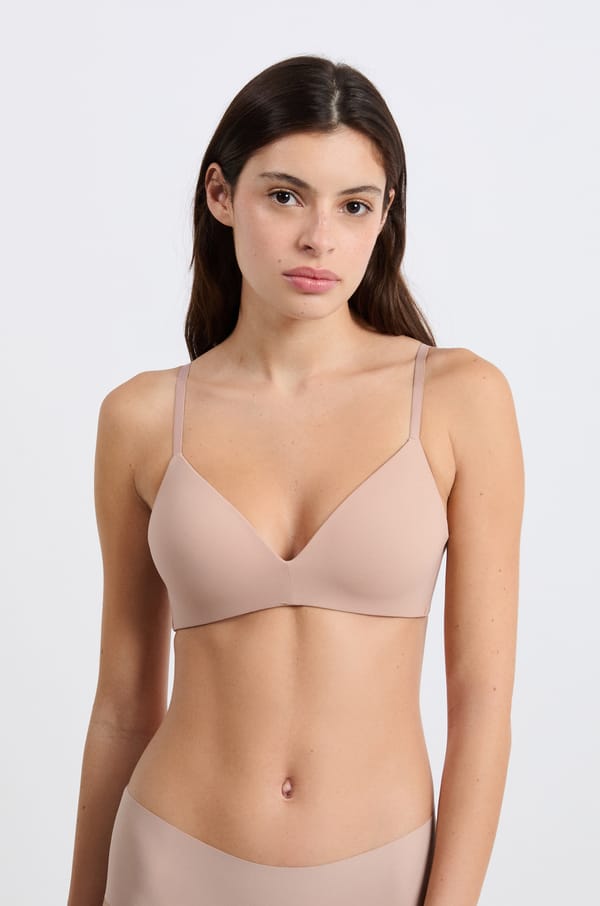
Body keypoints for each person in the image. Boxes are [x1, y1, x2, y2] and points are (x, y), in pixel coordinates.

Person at [67, 54, 524, 906]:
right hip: (167, 858)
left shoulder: (460, 399)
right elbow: (123, 707)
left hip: (380, 868)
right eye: (285, 196)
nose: (320, 238)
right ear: (220, 195)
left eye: (355, 206)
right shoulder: (142, 417)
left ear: (385, 215)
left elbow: (483, 706)